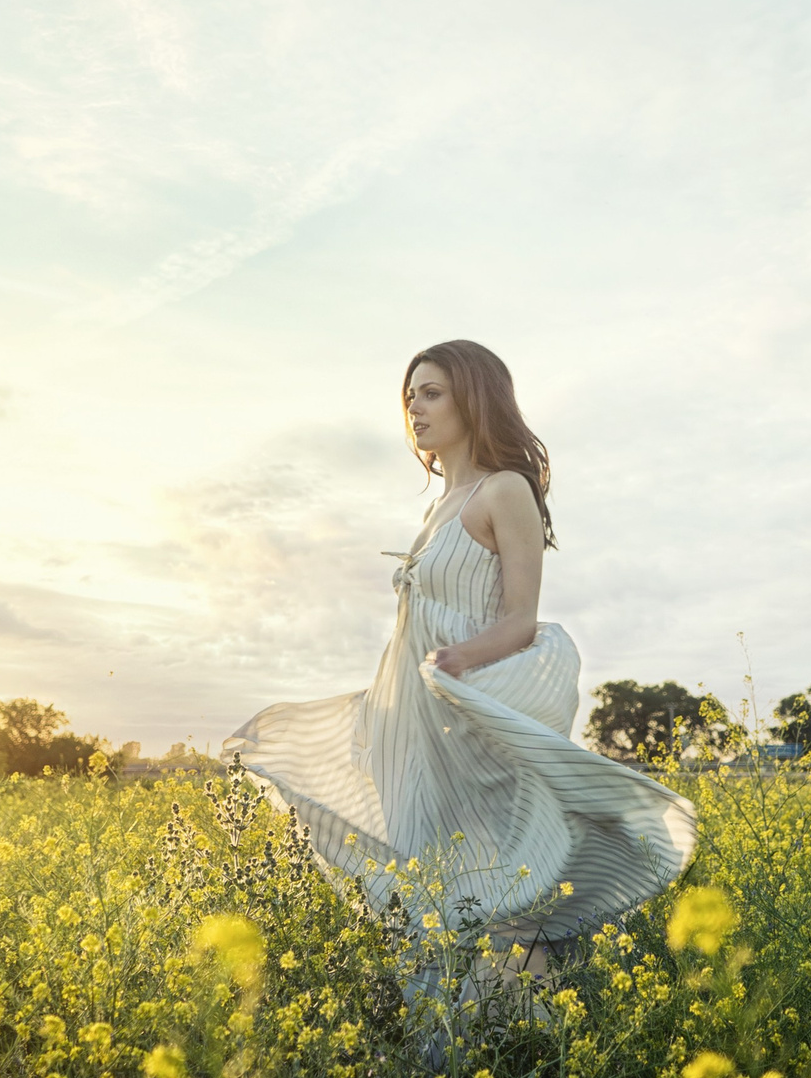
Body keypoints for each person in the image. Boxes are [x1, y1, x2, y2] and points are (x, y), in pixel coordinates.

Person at [224, 339, 699, 1010]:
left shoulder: (505, 490)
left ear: (473, 399)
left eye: (432, 392)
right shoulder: (437, 508)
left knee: (498, 890)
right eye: (409, 396)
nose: (414, 408)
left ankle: (534, 1045)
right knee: (432, 891)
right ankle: (454, 1042)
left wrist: (459, 659)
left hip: (470, 723)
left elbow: (520, 619)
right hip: (416, 729)